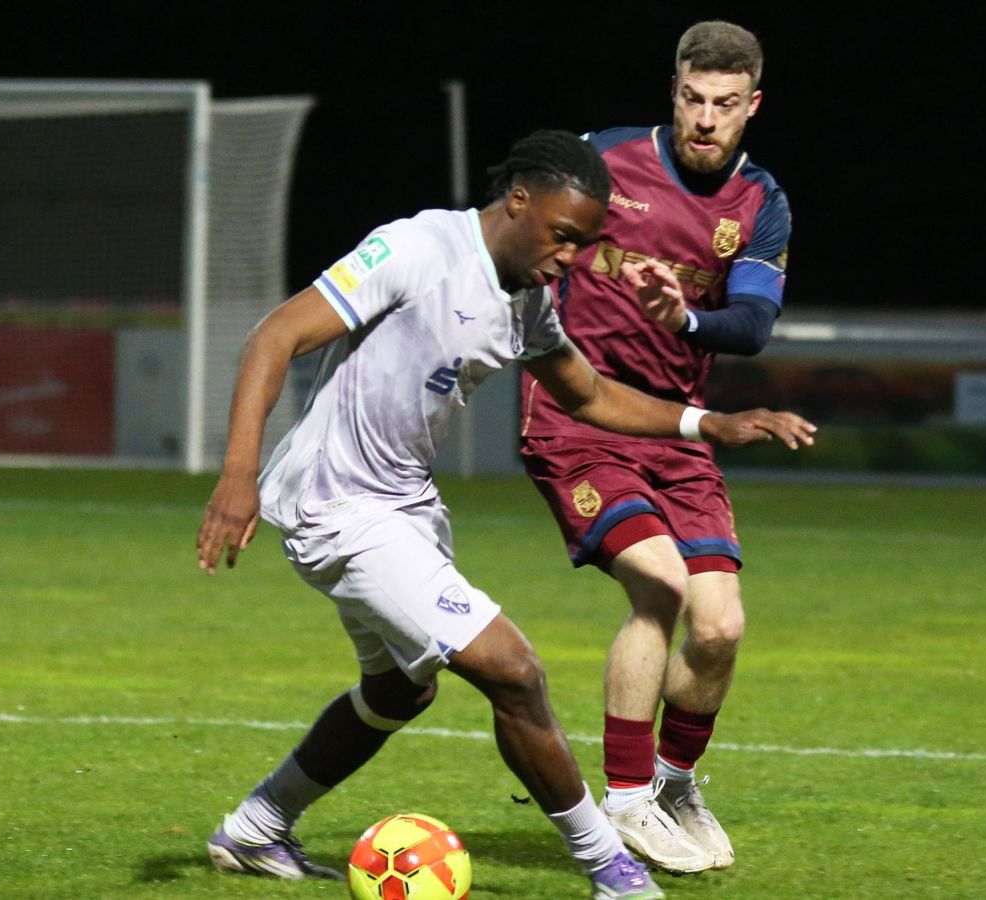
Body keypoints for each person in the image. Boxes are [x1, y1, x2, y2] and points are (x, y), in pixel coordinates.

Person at [195, 129, 815, 900]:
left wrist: (703, 423)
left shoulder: (527, 299)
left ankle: (255, 829)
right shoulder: (417, 247)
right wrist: (237, 476)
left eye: (586, 246)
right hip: (339, 505)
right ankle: (613, 872)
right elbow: (275, 335)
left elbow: (587, 394)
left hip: (405, 505)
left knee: (398, 693)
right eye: (563, 236)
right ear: (518, 199)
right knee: (514, 672)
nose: (571, 259)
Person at [517, 21, 789, 875]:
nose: (705, 120)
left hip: (675, 429)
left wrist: (687, 319)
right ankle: (627, 799)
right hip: (577, 421)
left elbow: (751, 324)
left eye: (725, 105)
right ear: (673, 92)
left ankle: (673, 784)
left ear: (751, 106)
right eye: (692, 99)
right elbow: (518, 240)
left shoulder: (760, 204)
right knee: (661, 583)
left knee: (720, 630)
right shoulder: (604, 161)